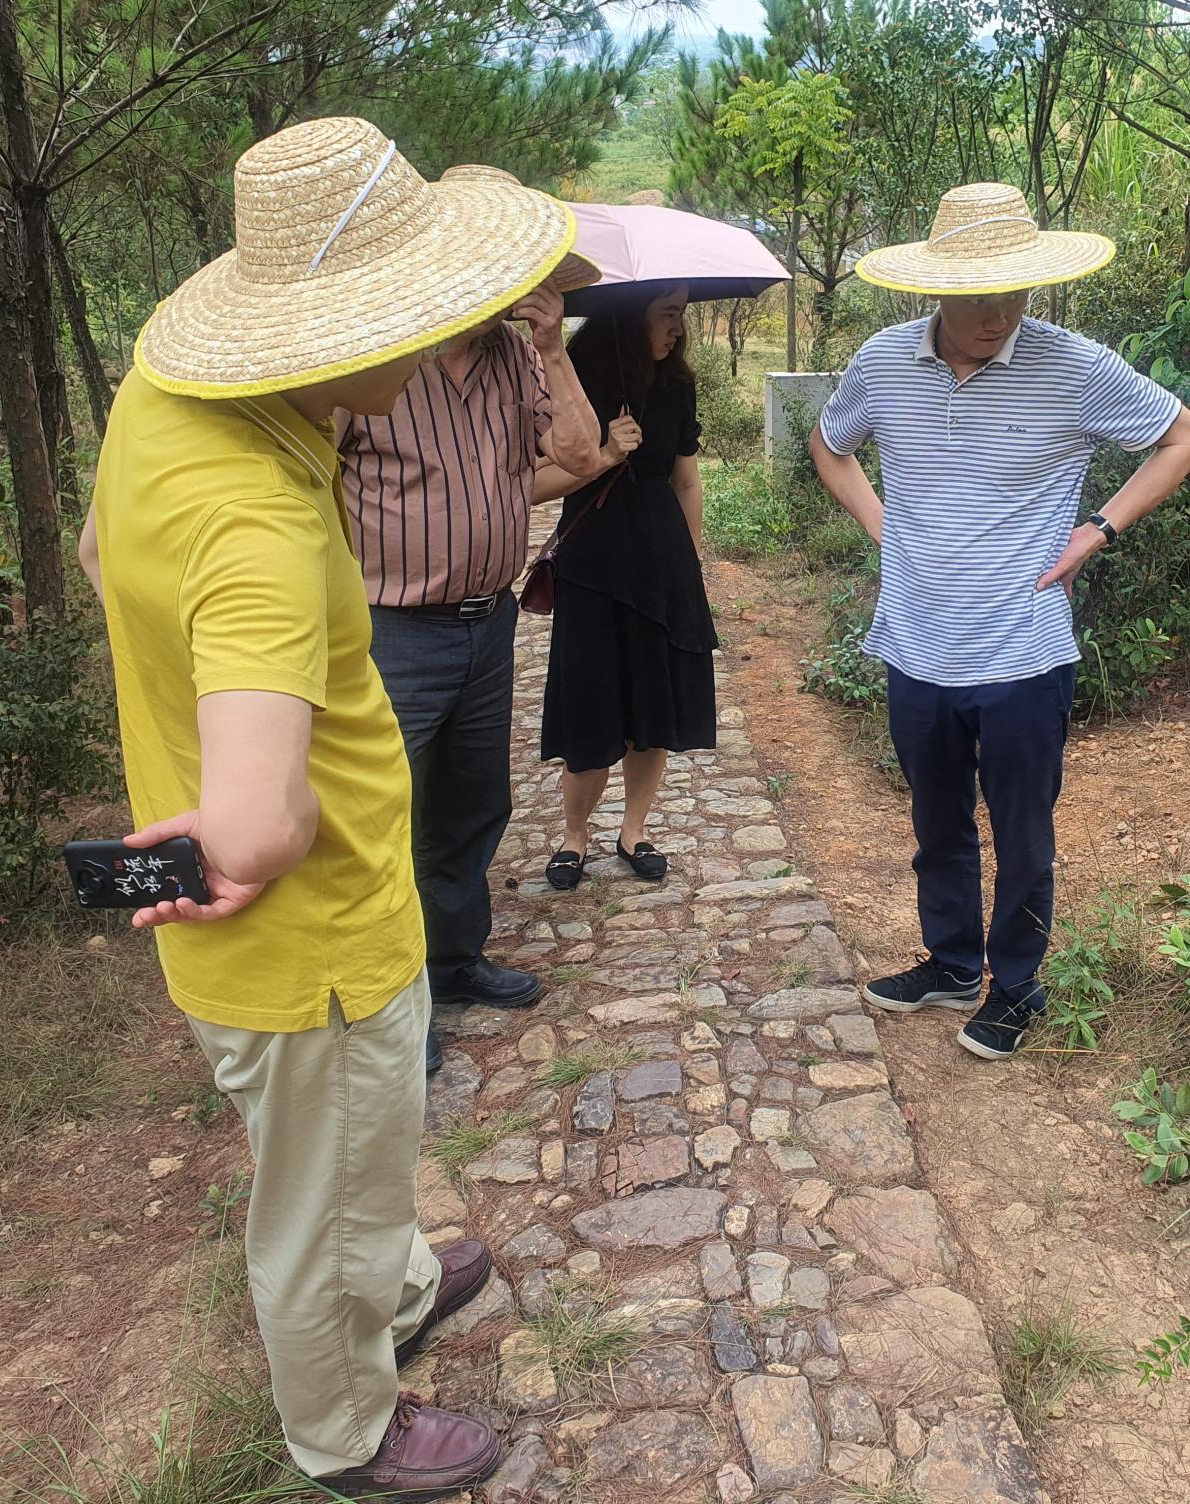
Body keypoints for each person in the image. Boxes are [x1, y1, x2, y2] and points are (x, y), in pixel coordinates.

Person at [78, 117, 584, 1498]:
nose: (427, 347)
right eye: (407, 319)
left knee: (357, 1160)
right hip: (313, 944)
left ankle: (399, 1281)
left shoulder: (163, 399)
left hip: (287, 939)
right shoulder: (251, 517)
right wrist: (267, 823)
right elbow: (250, 831)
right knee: (319, 1198)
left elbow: (100, 552)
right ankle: (348, 1427)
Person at [809, 182, 1190, 1061]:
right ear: (937, 289)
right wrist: (883, 526)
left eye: (1014, 293)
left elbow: (1186, 437)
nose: (998, 316)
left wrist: (1099, 529)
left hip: (1024, 649)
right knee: (937, 822)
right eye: (978, 297)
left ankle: (1016, 987)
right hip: (915, 640)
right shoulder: (883, 362)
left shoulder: (1073, 366)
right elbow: (829, 445)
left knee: (1023, 834)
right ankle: (952, 964)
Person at [334, 163, 614, 1077]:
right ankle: (386, 1008)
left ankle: (453, 963)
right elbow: (311, 485)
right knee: (381, 819)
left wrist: (554, 348)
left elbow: (581, 455)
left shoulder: (516, 359)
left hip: (487, 623)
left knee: (471, 804)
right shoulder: (371, 358)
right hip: (388, 628)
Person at [532, 283, 716, 887]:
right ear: (631, 314)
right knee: (590, 706)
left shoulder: (676, 384)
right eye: (668, 314)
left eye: (682, 315)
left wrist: (690, 569)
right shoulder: (573, 378)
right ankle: (574, 835)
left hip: (662, 565)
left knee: (653, 706)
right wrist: (607, 453)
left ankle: (633, 830)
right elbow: (531, 484)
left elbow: (686, 482)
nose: (678, 328)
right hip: (593, 568)